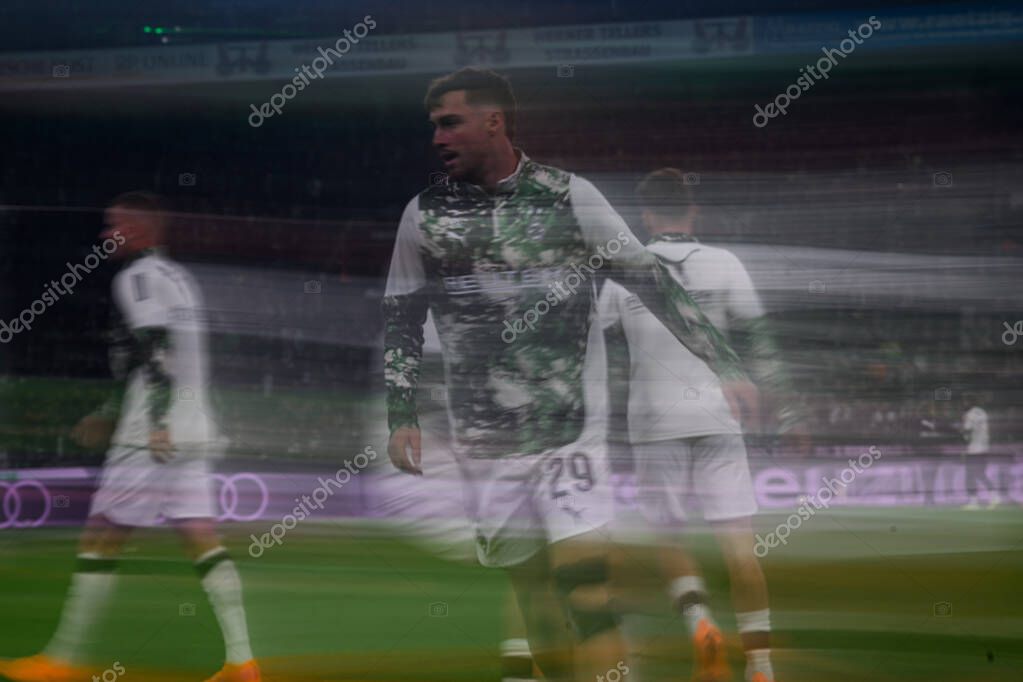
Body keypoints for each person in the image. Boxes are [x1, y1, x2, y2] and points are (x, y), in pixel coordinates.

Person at [382, 68, 756, 682]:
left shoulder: (568, 197)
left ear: (493, 121)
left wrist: (726, 364)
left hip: (569, 434)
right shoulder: (423, 216)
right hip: (485, 440)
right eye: (434, 126)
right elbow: (401, 316)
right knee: (534, 601)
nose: (438, 138)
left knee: (586, 588)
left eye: (450, 122)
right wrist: (402, 415)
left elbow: (649, 278)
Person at [0, 192, 260, 682]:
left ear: (141, 229)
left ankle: (62, 659)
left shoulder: (134, 278)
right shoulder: (179, 278)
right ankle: (242, 663)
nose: (105, 235)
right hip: (196, 426)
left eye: (113, 225)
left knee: (100, 534)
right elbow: (182, 354)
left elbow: (156, 348)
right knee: (202, 539)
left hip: (152, 433)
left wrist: (156, 420)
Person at [598, 168, 802, 682]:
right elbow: (760, 341)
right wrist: (788, 412)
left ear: (645, 216)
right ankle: (761, 665)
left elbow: (594, 345)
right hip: (719, 413)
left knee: (668, 536)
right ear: (694, 210)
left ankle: (700, 620)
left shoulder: (625, 272)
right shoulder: (725, 263)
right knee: (739, 545)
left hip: (653, 418)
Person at [960, 396, 996, 509]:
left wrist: (961, 427)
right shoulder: (983, 413)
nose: (963, 403)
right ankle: (993, 496)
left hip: (974, 449)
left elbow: (967, 431)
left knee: (970, 475)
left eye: (965, 401)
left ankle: (974, 501)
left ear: (970, 402)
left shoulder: (969, 414)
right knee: (979, 474)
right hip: (984, 447)